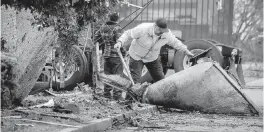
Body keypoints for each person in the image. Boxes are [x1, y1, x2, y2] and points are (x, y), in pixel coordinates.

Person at [114, 18, 194, 84]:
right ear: (155, 26)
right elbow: (128, 34)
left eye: (163, 31)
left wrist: (185, 51)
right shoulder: (143, 29)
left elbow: (175, 42)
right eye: (160, 30)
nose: (161, 33)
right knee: (136, 83)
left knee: (161, 82)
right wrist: (120, 42)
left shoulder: (166, 34)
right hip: (136, 57)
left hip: (152, 59)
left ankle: (162, 100)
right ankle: (131, 101)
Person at [96, 12, 127, 100]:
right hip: (116, 55)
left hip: (106, 55)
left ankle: (107, 94)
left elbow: (96, 37)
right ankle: (117, 95)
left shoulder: (102, 27)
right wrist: (124, 52)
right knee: (117, 76)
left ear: (109, 18)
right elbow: (120, 42)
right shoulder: (118, 28)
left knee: (108, 76)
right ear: (118, 19)